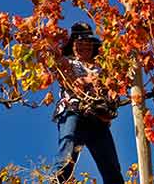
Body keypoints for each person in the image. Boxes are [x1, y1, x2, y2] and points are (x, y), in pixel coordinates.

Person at [53, 22, 124, 184]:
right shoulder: (68, 63)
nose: (84, 46)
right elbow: (71, 84)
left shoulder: (103, 67)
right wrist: (89, 80)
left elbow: (112, 91)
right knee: (67, 148)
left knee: (110, 164)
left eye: (88, 42)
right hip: (73, 109)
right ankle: (57, 181)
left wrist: (109, 105)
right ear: (73, 46)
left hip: (97, 117)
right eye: (80, 42)